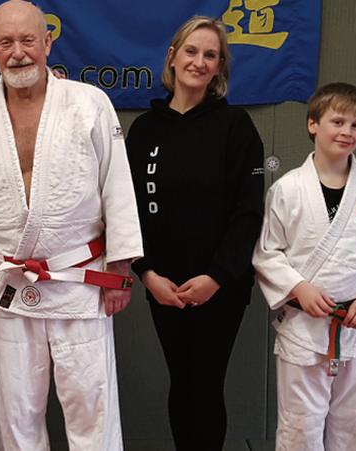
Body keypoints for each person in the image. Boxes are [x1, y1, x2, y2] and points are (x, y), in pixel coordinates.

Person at [0, 1, 143, 449]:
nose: (18, 52)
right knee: (17, 407)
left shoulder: (89, 103)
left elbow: (117, 187)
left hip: (80, 278)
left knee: (91, 404)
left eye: (28, 40)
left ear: (48, 42)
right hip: (8, 280)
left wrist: (120, 270)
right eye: (6, 42)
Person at [126, 16, 265, 450]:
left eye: (211, 55)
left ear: (220, 67)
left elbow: (248, 213)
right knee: (182, 382)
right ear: (172, 56)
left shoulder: (236, 127)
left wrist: (215, 278)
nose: (199, 62)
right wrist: (147, 274)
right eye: (191, 51)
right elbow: (128, 212)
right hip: (163, 286)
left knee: (205, 385)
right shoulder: (144, 131)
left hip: (219, 287)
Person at [252, 82, 356, 451]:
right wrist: (299, 288)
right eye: (338, 122)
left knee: (355, 416)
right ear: (312, 125)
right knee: (300, 421)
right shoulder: (288, 189)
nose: (347, 132)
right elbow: (267, 252)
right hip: (305, 324)